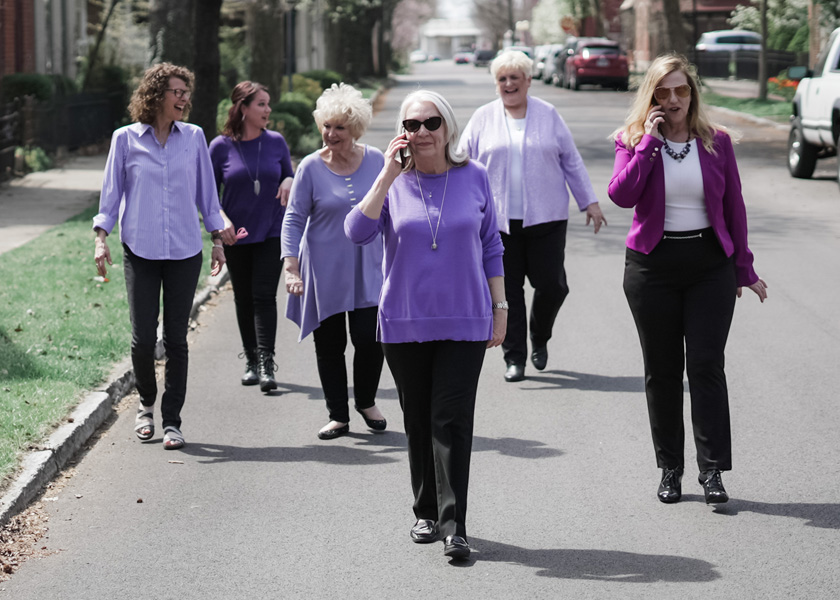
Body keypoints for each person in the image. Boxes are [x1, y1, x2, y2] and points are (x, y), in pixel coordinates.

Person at [345, 90, 506, 561]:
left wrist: (501, 308)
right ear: (402, 132)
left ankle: (455, 527)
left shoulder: (474, 176)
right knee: (418, 419)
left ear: (448, 127)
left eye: (431, 123)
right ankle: (426, 512)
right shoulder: (392, 182)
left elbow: (491, 245)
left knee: (450, 420)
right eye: (412, 124)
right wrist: (386, 175)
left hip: (466, 320)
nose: (422, 132)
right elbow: (357, 232)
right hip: (404, 322)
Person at [608, 54, 768, 505]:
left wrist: (744, 268)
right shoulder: (632, 139)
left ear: (692, 93)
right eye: (663, 91)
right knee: (662, 371)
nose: (673, 99)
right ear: (652, 96)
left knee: (705, 365)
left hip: (709, 265)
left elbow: (734, 207)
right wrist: (649, 143)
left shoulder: (717, 142)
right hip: (651, 268)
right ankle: (670, 468)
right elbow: (622, 195)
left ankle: (712, 469)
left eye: (681, 90)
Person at [93, 63, 226, 451]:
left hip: (185, 250)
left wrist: (218, 239)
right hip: (141, 250)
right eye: (177, 92)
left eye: (186, 93)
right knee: (142, 340)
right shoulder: (125, 139)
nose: (184, 99)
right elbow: (111, 195)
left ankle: (172, 421)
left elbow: (207, 196)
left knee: (176, 340)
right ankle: (146, 404)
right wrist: (101, 238)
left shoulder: (194, 137)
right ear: (156, 95)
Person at [459, 49, 606, 383]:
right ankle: (515, 358)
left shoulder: (548, 114)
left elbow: (571, 160)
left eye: (515, 77)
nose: (508, 84)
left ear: (528, 81)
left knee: (553, 285)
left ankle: (539, 335)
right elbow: (462, 162)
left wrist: (589, 201)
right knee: (508, 293)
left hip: (547, 218)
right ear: (496, 83)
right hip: (497, 225)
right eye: (502, 78)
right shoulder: (482, 118)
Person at [281, 83, 387, 440]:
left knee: (370, 339)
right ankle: (338, 415)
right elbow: (294, 219)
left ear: (354, 128)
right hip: (323, 271)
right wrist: (291, 267)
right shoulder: (311, 167)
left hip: (369, 266)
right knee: (330, 346)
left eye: (339, 127)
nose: (331, 133)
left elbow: (392, 208)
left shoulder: (376, 160)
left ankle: (366, 401)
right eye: (326, 126)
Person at [209, 81, 294, 393]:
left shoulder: (276, 142)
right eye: (261, 104)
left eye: (268, 103)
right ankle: (251, 361)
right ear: (243, 108)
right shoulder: (220, 147)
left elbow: (288, 174)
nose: (268, 109)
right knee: (243, 298)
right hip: (236, 235)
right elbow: (207, 193)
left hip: (271, 230)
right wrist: (221, 222)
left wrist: (289, 179)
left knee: (264, 296)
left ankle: (267, 364)